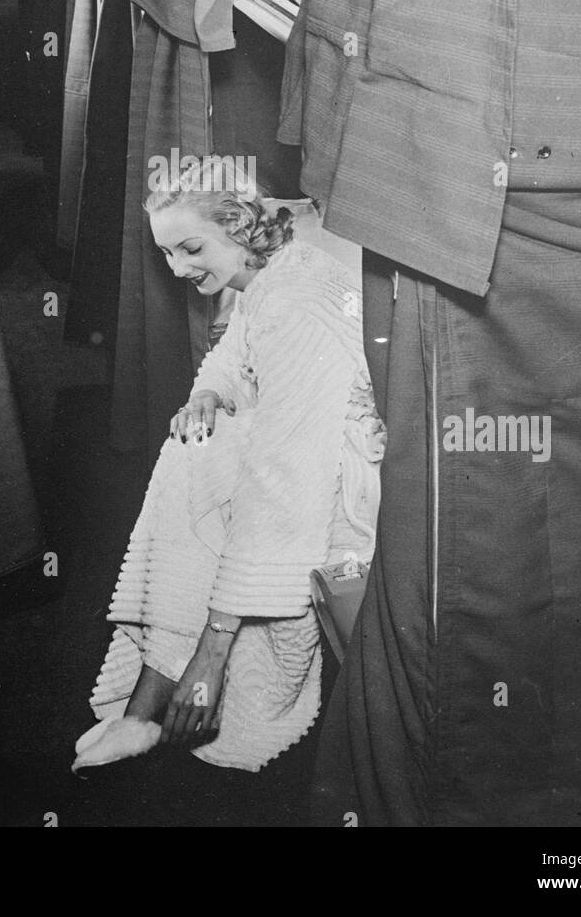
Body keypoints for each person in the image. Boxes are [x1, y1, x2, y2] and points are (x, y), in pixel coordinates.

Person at [73, 162, 385, 774]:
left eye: (191, 248)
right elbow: (231, 354)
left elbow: (286, 484)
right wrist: (205, 396)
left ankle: (157, 699)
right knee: (194, 446)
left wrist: (212, 653)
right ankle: (145, 706)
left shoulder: (295, 300)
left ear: (240, 227)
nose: (179, 270)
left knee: (194, 468)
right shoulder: (272, 267)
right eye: (166, 253)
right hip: (300, 446)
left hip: (346, 475)